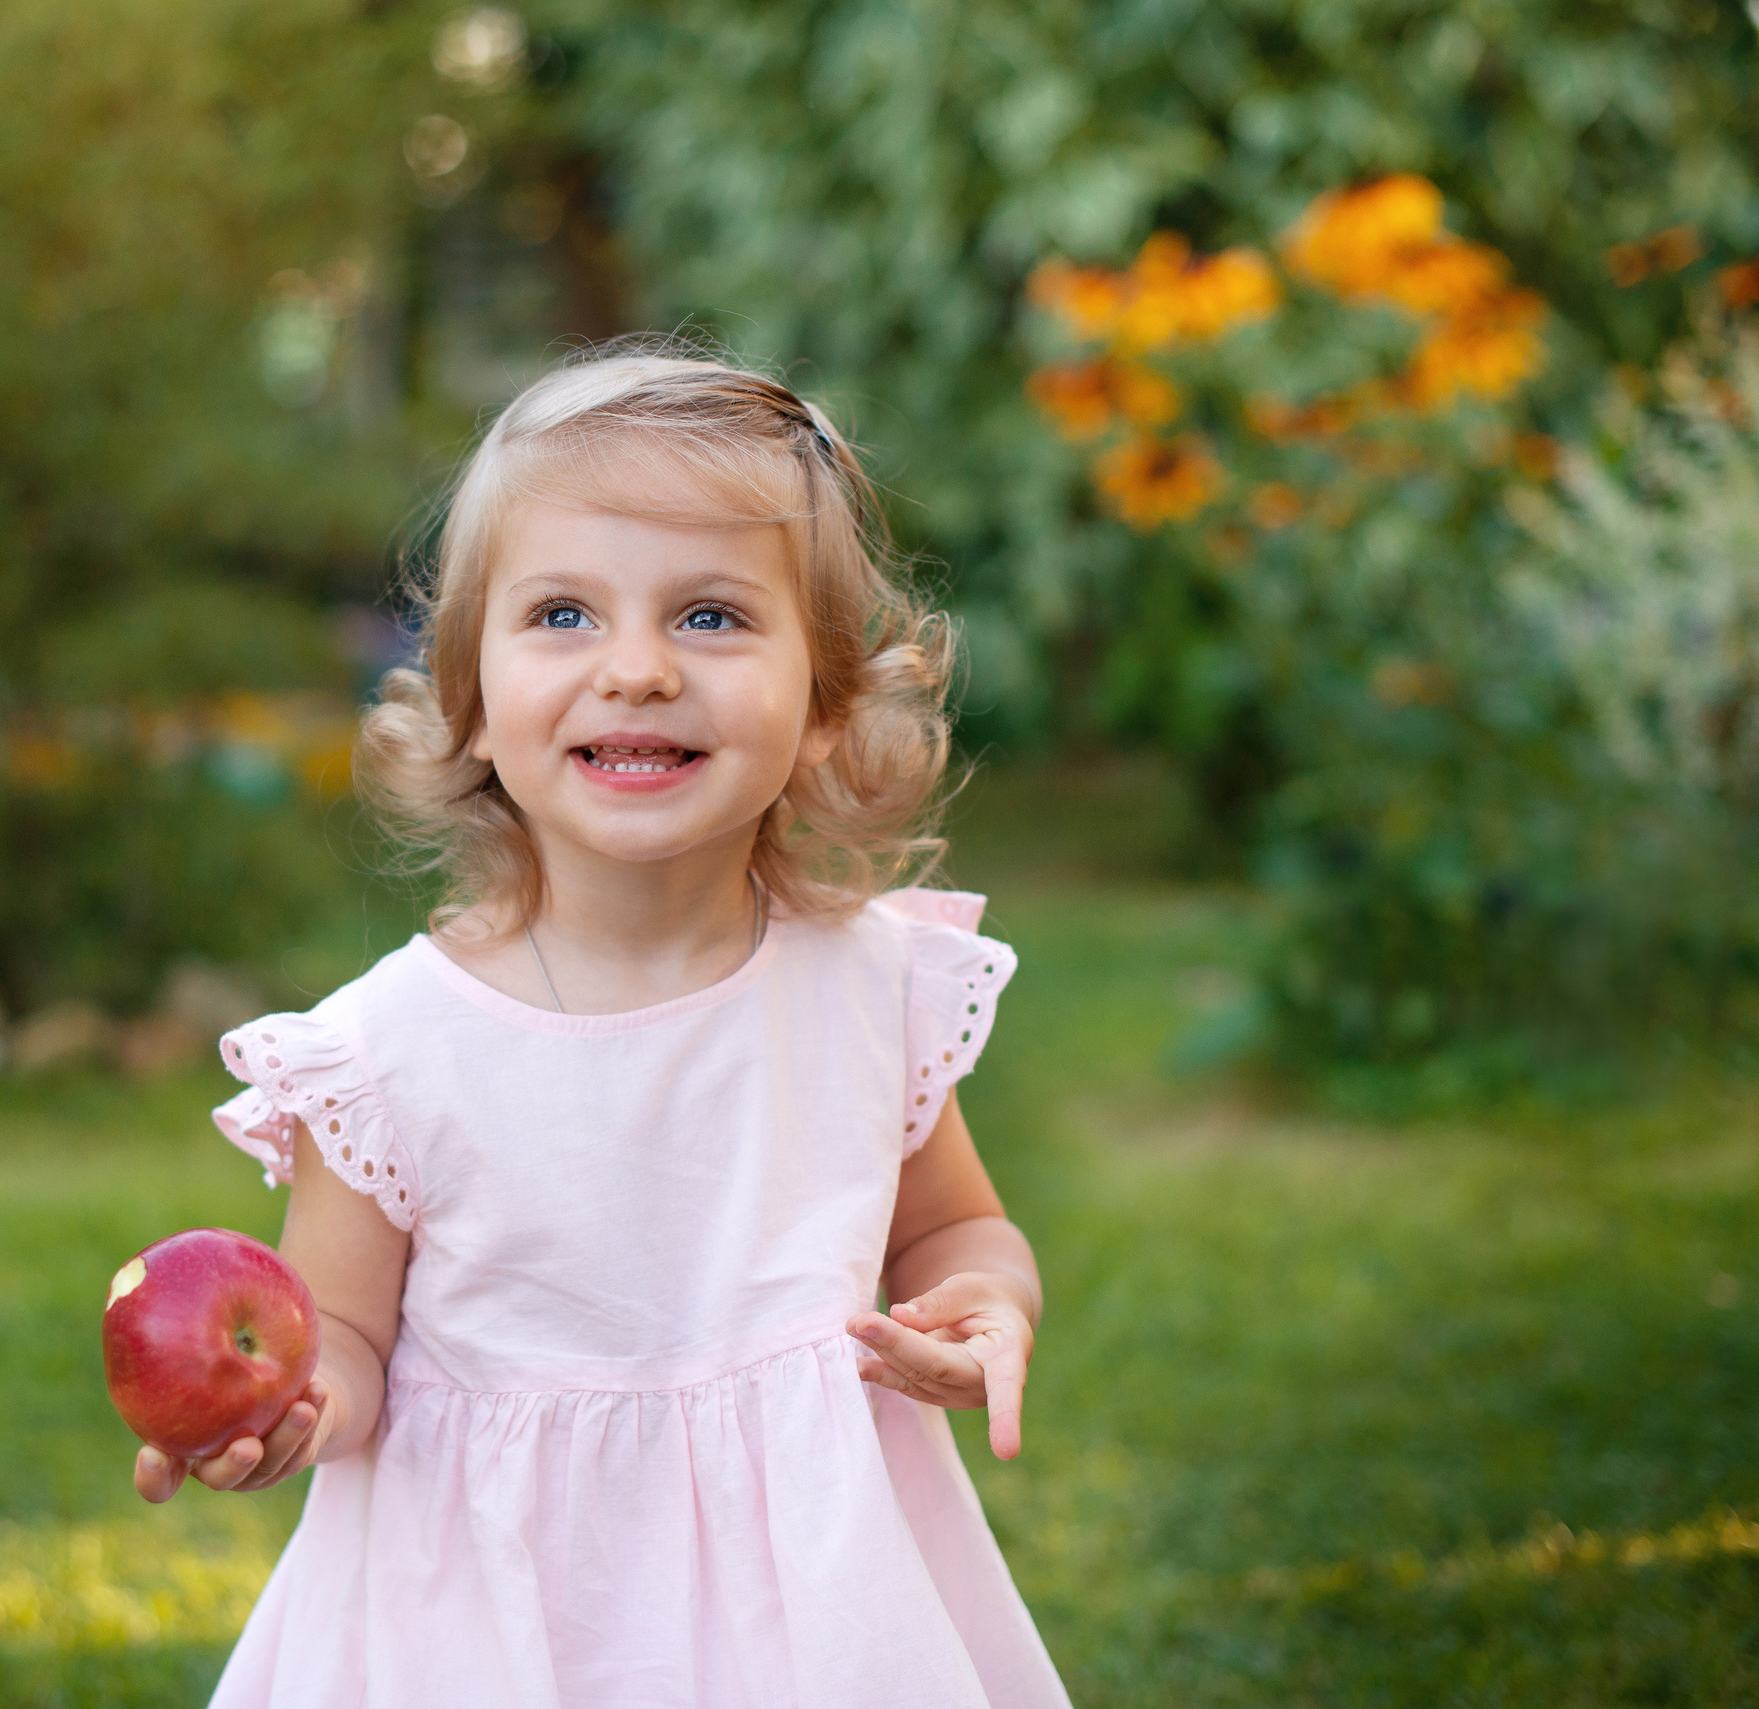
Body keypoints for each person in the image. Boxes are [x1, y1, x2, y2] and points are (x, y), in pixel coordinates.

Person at [135, 344, 1073, 1708]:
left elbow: (953, 1229)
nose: (634, 669)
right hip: (489, 1627)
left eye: (710, 615)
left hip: (811, 1621)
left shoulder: (866, 993)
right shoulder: (388, 1055)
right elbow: (339, 1328)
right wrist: (294, 1403)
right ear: (470, 696)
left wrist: (988, 1297)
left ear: (825, 705)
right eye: (564, 614)